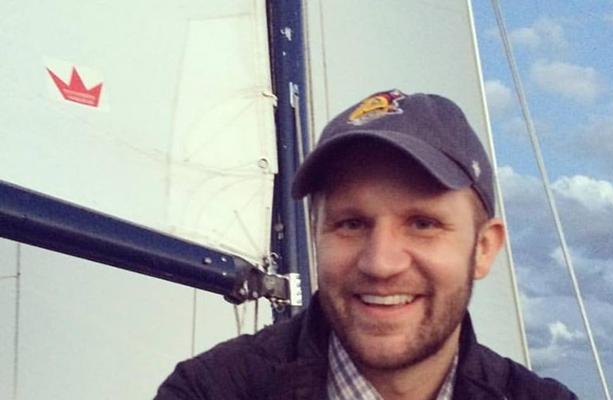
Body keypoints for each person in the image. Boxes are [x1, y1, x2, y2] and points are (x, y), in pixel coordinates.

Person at [155, 90, 578, 399]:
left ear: (484, 248)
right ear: (316, 234)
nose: (380, 263)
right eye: (351, 224)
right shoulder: (209, 392)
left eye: (423, 223)